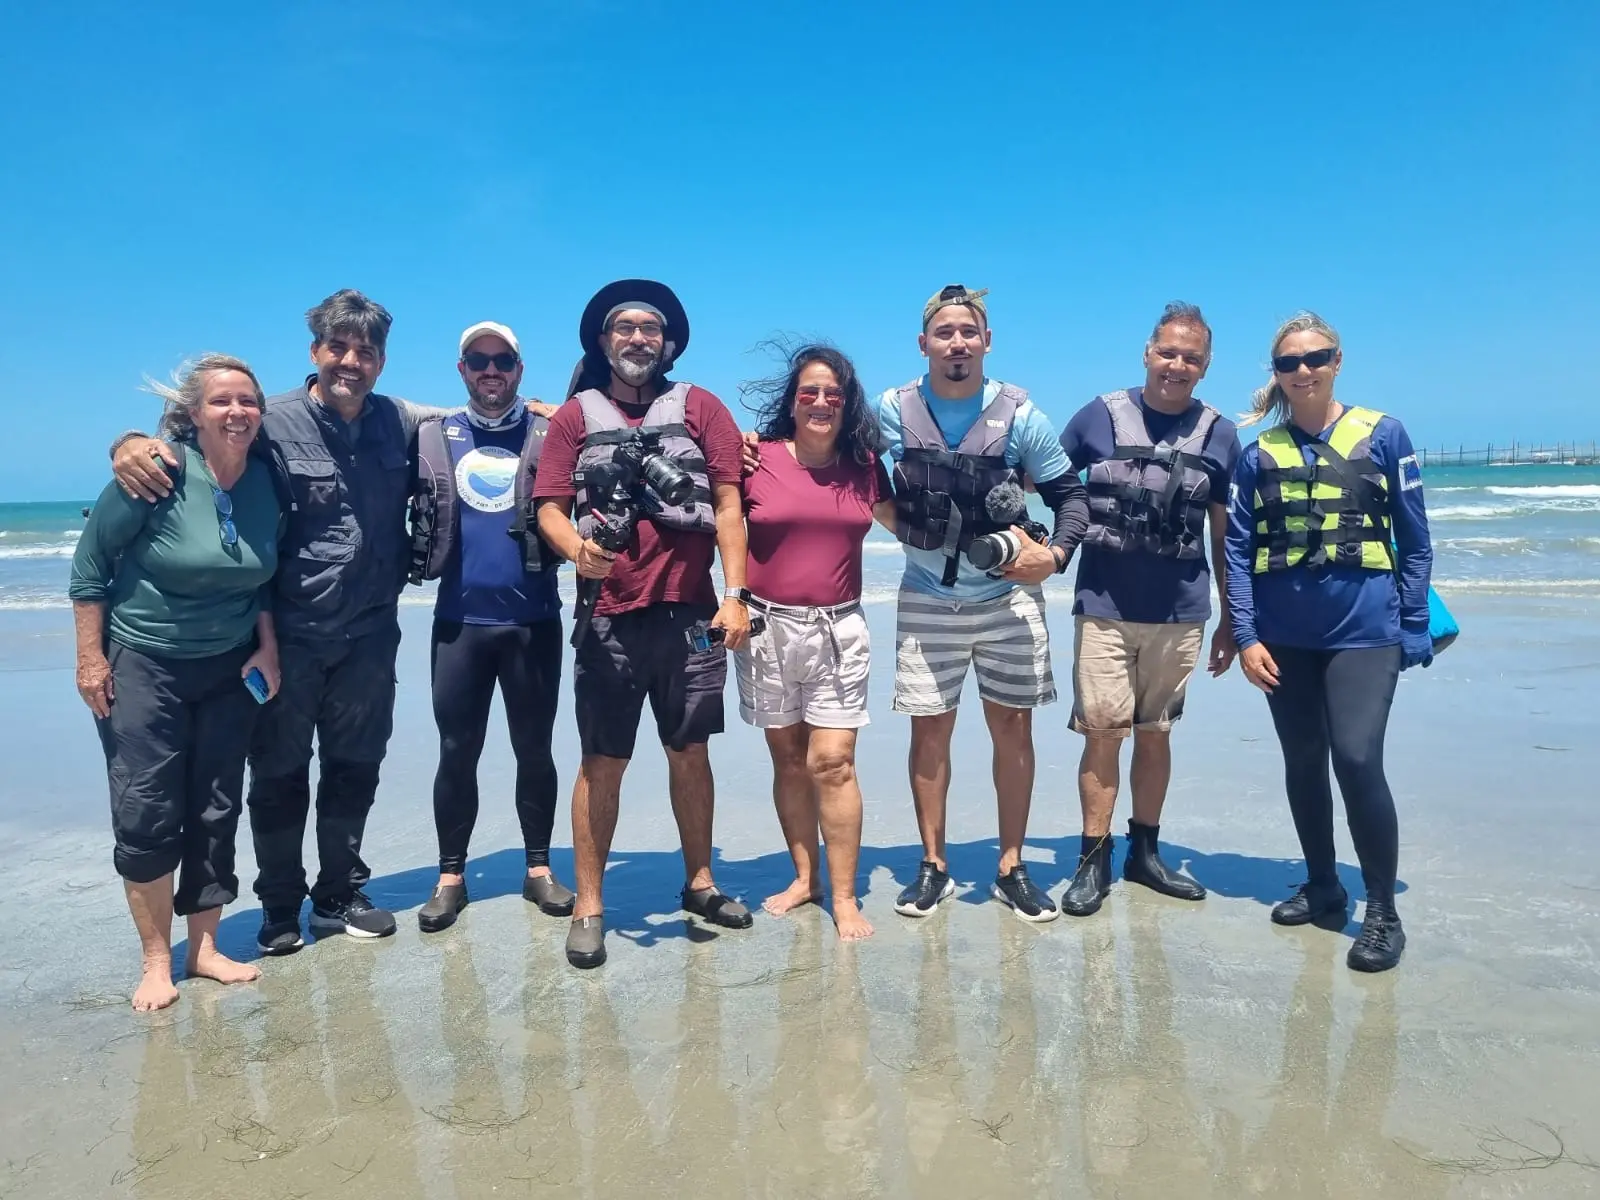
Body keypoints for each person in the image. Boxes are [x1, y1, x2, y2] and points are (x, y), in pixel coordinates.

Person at [109, 291, 558, 953]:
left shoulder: (400, 421)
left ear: (381, 360)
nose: (352, 361)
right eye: (338, 348)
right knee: (282, 772)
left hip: (372, 634)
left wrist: (554, 411)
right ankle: (282, 906)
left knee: (356, 766)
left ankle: (340, 892)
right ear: (315, 351)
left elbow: (480, 412)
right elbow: (194, 441)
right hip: (289, 635)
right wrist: (130, 441)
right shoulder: (272, 421)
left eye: (366, 350)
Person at [534, 279, 751, 968]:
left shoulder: (700, 407)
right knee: (603, 759)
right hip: (608, 616)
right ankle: (592, 905)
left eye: (649, 330)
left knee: (691, 750)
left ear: (669, 343)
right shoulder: (575, 416)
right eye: (623, 329)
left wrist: (736, 595)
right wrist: (578, 552)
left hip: (692, 612)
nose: (636, 339)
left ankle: (701, 881)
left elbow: (727, 503)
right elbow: (548, 506)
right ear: (603, 342)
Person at [71, 356, 284, 1010]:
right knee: (147, 811)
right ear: (194, 414)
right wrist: (91, 660)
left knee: (216, 806)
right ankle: (156, 960)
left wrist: (269, 649)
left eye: (247, 400)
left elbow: (265, 576)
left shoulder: (265, 482)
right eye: (221, 400)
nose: (236, 411)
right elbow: (90, 567)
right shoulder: (156, 471)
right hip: (145, 663)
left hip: (230, 667)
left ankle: (207, 948)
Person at [1225, 312, 1433, 973]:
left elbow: (1417, 538)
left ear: (1337, 361)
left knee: (1356, 757)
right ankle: (1323, 887)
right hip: (1284, 639)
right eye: (1289, 363)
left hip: (1365, 634)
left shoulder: (1384, 434)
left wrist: (1414, 623)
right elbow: (1236, 548)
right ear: (1277, 375)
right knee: (1303, 761)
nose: (1304, 371)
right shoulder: (1258, 454)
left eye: (1317, 358)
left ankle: (1382, 911)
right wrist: (1246, 633)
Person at [876, 285, 1088, 923]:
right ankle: (933, 866)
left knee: (1012, 731)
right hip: (925, 596)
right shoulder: (892, 410)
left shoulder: (1022, 417)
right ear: (924, 344)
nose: (957, 343)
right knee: (929, 731)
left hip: (1007, 600)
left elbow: (1071, 498)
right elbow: (841, 467)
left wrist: (1053, 559)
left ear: (987, 341)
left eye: (969, 332)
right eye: (945, 333)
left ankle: (1011, 865)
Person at [1056, 302, 1242, 916]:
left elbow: (1224, 534)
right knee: (1104, 734)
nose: (1177, 365)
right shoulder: (1098, 416)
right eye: (1168, 352)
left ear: (1206, 366)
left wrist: (1232, 619)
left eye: (1191, 357)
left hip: (1180, 611)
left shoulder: (1219, 433)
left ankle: (1145, 854)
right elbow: (1044, 479)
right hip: (1104, 605)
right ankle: (1092, 861)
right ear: (1147, 352)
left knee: (1155, 734)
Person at [410, 322, 575, 933]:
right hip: (458, 626)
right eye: (478, 360)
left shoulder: (554, 433)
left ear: (519, 369)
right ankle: (451, 876)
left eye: (502, 360)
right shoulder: (430, 432)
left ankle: (538, 870)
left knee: (535, 750)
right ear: (461, 369)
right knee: (458, 751)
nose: (491, 370)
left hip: (533, 622)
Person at [736, 344, 896, 941]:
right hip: (767, 627)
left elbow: (910, 525)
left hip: (839, 629)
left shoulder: (866, 465)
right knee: (788, 760)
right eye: (809, 391)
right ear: (793, 400)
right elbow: (718, 512)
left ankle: (847, 896)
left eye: (833, 393)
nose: (821, 402)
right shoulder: (757, 458)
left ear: (848, 402)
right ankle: (806, 878)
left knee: (831, 761)